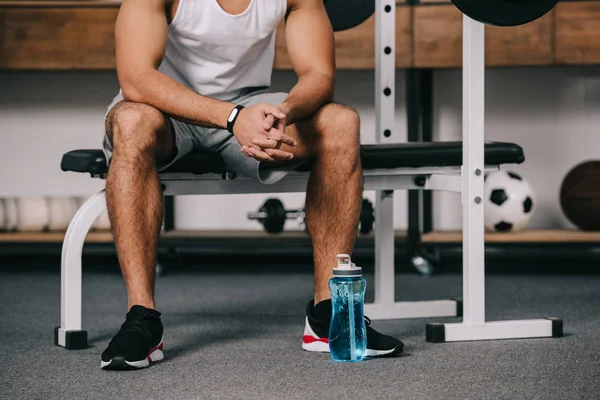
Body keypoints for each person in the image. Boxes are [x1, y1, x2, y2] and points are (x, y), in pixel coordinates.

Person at [100, 0, 404, 370]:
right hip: (165, 106)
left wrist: (283, 112)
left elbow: (319, 74)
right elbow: (136, 78)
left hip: (249, 104)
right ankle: (142, 318)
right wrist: (231, 118)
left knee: (340, 124)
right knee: (131, 122)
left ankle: (329, 315)